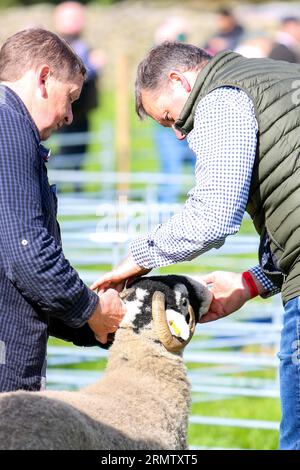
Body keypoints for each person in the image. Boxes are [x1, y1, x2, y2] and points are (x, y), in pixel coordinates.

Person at [91, 41, 300, 449]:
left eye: (171, 116)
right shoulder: (277, 79)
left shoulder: (221, 97)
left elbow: (214, 214)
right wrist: (252, 283)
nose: (179, 132)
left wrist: (138, 257)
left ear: (179, 80)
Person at [0, 28, 125, 392]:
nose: (70, 116)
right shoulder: (9, 125)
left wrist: (91, 323)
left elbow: (18, 271)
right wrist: (92, 309)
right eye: (69, 98)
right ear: (42, 78)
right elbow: (26, 252)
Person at [54, 1, 104, 184]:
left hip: (82, 109)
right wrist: (93, 66)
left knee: (80, 153)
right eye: (75, 18)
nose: (80, 22)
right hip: (66, 109)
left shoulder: (82, 44)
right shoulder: (60, 46)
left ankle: (77, 190)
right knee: (66, 151)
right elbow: (73, 74)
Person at [154, 16, 195, 203]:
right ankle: (163, 214)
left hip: (191, 123)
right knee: (171, 173)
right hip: (169, 125)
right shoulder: (156, 61)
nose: (180, 39)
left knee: (200, 171)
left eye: (182, 35)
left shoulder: (188, 59)